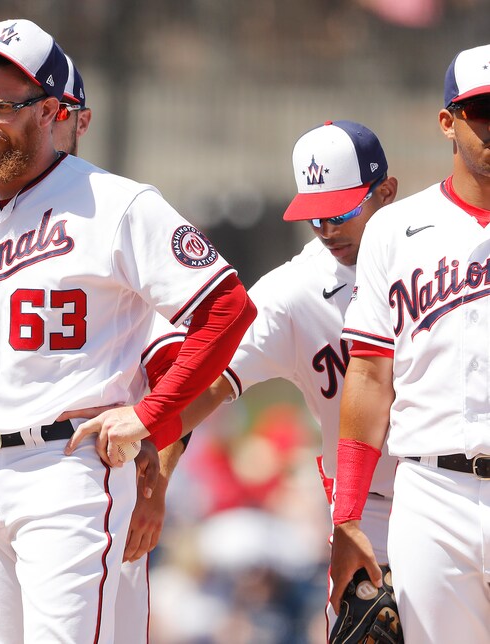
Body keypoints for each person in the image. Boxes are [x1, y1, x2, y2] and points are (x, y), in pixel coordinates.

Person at [0, 18, 256, 642]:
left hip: (68, 469)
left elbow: (227, 310)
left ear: (52, 111)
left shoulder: (118, 204)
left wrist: (151, 419)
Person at [158, 119, 399, 634]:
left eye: (342, 211)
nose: (327, 228)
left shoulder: (436, 254)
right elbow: (208, 383)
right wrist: (158, 471)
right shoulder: (294, 291)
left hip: (458, 485)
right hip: (369, 513)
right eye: (315, 216)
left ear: (387, 191)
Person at [330, 43, 490, 642]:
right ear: (448, 121)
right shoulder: (396, 230)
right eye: (482, 110)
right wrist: (347, 516)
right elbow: (370, 375)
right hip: (432, 495)